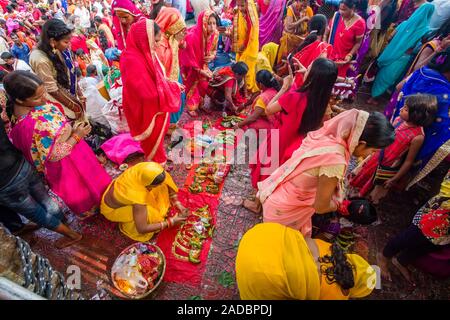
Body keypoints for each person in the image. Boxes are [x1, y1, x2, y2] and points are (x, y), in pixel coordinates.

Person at [257, 110, 395, 236]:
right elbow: (320, 206)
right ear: (362, 143)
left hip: (280, 197)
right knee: (277, 247)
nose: (368, 156)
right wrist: (338, 203)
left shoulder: (328, 138)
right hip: (286, 211)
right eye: (373, 151)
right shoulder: (335, 161)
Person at [5, 71, 111, 218]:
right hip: (67, 164)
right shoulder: (34, 124)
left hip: (74, 152)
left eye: (44, 92)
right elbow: (54, 156)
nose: (44, 99)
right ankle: (94, 208)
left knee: (89, 185)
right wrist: (76, 136)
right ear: (21, 100)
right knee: (82, 190)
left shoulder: (25, 112)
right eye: (37, 97)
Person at [243, 58, 338, 213]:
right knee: (282, 173)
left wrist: (284, 88)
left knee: (266, 170)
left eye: (308, 69)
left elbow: (268, 110)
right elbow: (324, 123)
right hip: (300, 144)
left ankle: (257, 204)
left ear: (312, 76)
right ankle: (269, 202)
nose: (305, 70)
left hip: (281, 139)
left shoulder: (294, 96)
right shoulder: (323, 102)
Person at [0, 115, 82, 248]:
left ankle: (73, 235)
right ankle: (62, 219)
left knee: (36, 212)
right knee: (44, 198)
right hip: (20, 163)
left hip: (5, 182)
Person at [235, 223, 376, 300]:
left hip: (261, 235)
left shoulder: (332, 249)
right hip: (259, 270)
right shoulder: (339, 296)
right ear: (356, 289)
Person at [350, 94, 438, 204]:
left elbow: (408, 161)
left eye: (405, 109)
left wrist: (394, 179)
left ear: (417, 115)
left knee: (374, 185)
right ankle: (354, 195)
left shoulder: (418, 137)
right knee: (363, 175)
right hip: (377, 156)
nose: (400, 109)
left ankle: (362, 203)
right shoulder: (398, 120)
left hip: (388, 166)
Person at [121, 19, 181, 164]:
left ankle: (157, 159)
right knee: (152, 139)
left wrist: (171, 84)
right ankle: (157, 165)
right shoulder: (131, 59)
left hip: (153, 103)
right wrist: (170, 89)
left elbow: (158, 78)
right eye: (155, 40)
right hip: (145, 107)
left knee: (156, 139)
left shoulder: (146, 53)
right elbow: (144, 93)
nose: (157, 44)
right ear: (144, 38)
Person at [391, 49, 450, 190]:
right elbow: (441, 127)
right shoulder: (445, 92)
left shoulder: (422, 71)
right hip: (412, 140)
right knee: (399, 161)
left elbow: (399, 87)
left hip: (397, 126)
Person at [378, 169, 450, 284]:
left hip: (446, 229)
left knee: (431, 245)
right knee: (410, 237)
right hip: (438, 215)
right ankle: (383, 256)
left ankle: (401, 261)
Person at [101, 162, 188, 242]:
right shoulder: (137, 198)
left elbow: (166, 181)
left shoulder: (143, 170)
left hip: (128, 195)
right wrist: (171, 222)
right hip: (114, 210)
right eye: (153, 186)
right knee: (150, 213)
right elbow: (142, 228)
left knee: (162, 186)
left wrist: (176, 202)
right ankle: (133, 224)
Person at [369, 2, 434, 103]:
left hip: (390, 52)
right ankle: (373, 97)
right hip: (404, 57)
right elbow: (421, 46)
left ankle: (373, 95)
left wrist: (397, 45)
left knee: (383, 74)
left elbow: (390, 37)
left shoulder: (404, 23)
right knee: (389, 77)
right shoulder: (425, 31)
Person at [29, 19, 85, 121]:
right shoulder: (40, 59)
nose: (69, 45)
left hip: (69, 96)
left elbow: (71, 71)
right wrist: (75, 108)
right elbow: (52, 89)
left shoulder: (60, 48)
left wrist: (79, 96)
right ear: (52, 41)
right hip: (59, 103)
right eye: (66, 42)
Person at [180, 9, 219, 116]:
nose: (212, 27)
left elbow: (214, 50)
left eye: (214, 23)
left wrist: (212, 56)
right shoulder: (192, 37)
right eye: (209, 23)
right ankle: (190, 105)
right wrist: (201, 71)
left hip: (204, 65)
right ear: (203, 23)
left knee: (204, 84)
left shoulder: (215, 34)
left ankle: (200, 103)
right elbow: (188, 60)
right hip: (191, 67)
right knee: (192, 83)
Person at [154, 6, 187, 124]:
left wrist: (181, 40)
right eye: (177, 28)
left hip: (175, 72)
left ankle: (173, 123)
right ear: (168, 23)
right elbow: (158, 68)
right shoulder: (159, 42)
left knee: (180, 99)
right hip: (165, 78)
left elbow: (183, 45)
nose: (179, 31)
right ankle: (169, 125)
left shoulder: (171, 34)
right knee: (170, 103)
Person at [326, 0, 365, 78]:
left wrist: (350, 55)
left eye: (344, 9)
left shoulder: (360, 23)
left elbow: (358, 43)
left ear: (352, 8)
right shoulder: (337, 16)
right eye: (340, 9)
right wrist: (324, 45)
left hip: (343, 61)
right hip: (330, 55)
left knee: (336, 82)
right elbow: (327, 32)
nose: (341, 12)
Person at [292, 14, 333, 88]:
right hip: (308, 88)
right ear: (324, 28)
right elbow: (322, 73)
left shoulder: (304, 42)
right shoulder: (323, 48)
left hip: (295, 84)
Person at [232, 0, 259, 93]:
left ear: (248, 4)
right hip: (242, 46)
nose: (239, 8)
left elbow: (251, 33)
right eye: (238, 5)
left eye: (242, 6)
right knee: (239, 65)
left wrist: (244, 45)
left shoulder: (250, 14)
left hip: (250, 47)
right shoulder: (240, 11)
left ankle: (248, 88)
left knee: (247, 68)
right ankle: (241, 87)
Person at [277, 0, 313, 64]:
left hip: (302, 39)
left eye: (305, 6)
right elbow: (289, 26)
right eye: (302, 5)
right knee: (286, 38)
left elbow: (311, 26)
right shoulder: (291, 9)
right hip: (291, 38)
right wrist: (302, 19)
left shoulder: (309, 9)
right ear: (298, 1)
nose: (303, 8)